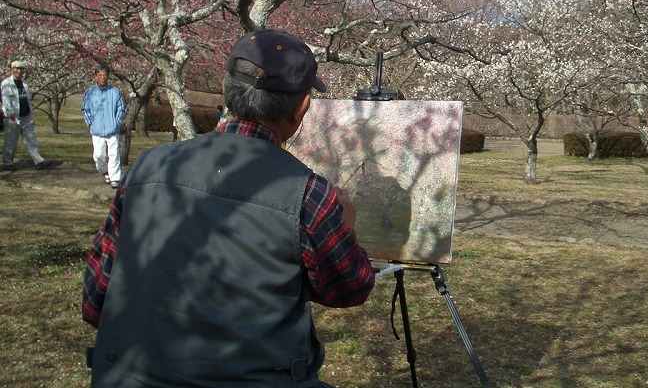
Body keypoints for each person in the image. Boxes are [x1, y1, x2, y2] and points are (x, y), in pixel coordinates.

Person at [82, 29, 375, 388]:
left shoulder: (148, 167)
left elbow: (96, 298)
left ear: (226, 91)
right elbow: (351, 288)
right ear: (302, 108)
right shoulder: (310, 194)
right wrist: (347, 226)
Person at [1, 60, 52, 171]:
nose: (19, 71)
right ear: (12, 69)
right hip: (13, 117)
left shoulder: (25, 84)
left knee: (30, 139)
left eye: (21, 69)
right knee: (11, 141)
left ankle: (38, 160)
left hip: (26, 116)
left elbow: (27, 99)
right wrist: (10, 112)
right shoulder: (6, 83)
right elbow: (6, 100)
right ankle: (8, 162)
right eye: (17, 69)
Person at [81, 64, 126, 189]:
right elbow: (85, 109)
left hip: (112, 129)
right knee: (99, 155)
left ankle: (115, 178)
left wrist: (117, 123)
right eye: (100, 75)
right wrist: (90, 123)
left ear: (108, 77)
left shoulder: (115, 92)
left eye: (105, 75)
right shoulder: (90, 93)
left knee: (114, 154)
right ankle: (104, 171)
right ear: (95, 76)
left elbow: (121, 109)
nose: (102, 78)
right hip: (97, 130)